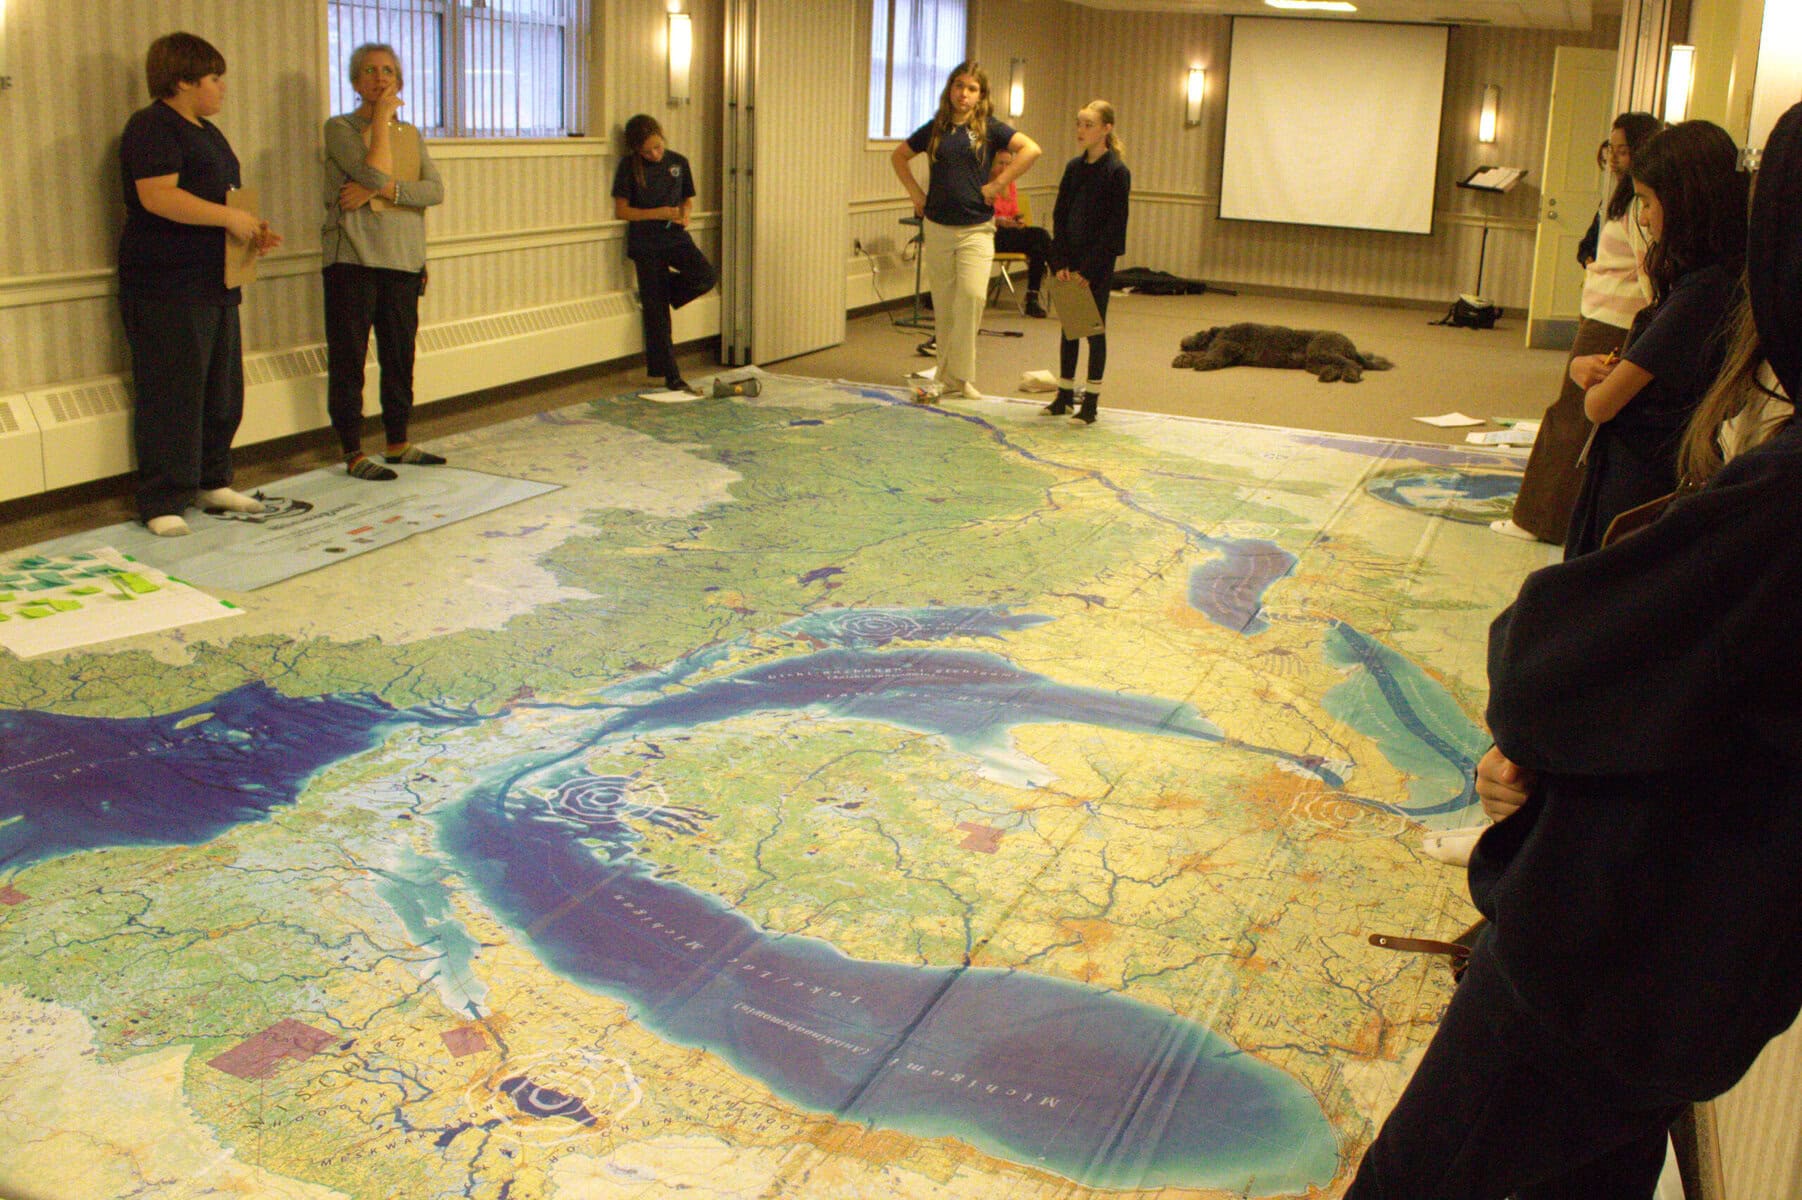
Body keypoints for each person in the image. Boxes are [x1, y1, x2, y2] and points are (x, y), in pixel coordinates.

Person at [1344, 100, 1802, 1200]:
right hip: (1698, 986)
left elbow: (1545, 657)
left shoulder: (1784, 504)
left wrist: (1544, 735)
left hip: (1601, 973)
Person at [117, 32, 281, 537]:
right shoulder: (151, 127)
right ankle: (163, 496)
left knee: (221, 388)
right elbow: (158, 197)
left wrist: (249, 229)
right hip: (166, 284)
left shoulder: (208, 132)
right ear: (184, 80)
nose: (222, 88)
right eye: (214, 78)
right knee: (173, 389)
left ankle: (211, 479)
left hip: (216, 281)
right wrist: (228, 218)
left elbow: (222, 200)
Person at [1561, 120, 1746, 558]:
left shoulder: (1703, 290)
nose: (1642, 216)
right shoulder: (1715, 277)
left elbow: (1601, 405)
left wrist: (1587, 378)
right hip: (1649, 462)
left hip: (1643, 470)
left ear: (1685, 202)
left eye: (1646, 201)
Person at [1494, 113, 1660, 543]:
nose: (1617, 158)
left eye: (1625, 149)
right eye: (1613, 149)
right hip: (1601, 315)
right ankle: (1556, 518)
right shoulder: (1620, 197)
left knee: (1570, 417)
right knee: (1575, 419)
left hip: (1614, 324)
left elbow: (1648, 272)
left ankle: (1535, 520)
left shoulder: (1640, 202)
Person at [321, 43, 447, 482]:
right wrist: (378, 123)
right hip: (352, 260)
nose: (381, 78)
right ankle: (353, 451)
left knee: (399, 356)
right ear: (356, 82)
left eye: (389, 71)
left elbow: (434, 191)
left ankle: (397, 441)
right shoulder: (338, 128)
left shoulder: (410, 134)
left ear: (400, 80)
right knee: (349, 358)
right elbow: (371, 172)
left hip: (403, 261)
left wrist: (385, 193)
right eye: (371, 71)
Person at [891, 62, 1041, 402]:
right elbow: (899, 157)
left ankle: (961, 375)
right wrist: (916, 194)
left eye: (972, 88)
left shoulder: (989, 129)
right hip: (939, 225)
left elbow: (1031, 150)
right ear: (950, 89)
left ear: (981, 95)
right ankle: (948, 378)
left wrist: (1000, 183)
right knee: (944, 307)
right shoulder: (936, 128)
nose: (964, 93)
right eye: (959, 86)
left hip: (976, 228)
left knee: (972, 297)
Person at [612, 114, 716, 393]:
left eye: (657, 147)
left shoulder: (678, 163)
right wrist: (656, 213)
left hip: (674, 235)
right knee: (657, 316)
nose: (654, 154)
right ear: (637, 150)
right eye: (647, 151)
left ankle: (661, 292)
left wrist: (686, 216)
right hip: (646, 241)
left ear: (662, 137)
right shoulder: (629, 168)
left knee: (706, 275)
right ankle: (670, 374)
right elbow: (622, 210)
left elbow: (687, 200)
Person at [1042, 101, 1130, 425]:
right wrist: (1060, 261)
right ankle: (1064, 395)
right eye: (1079, 123)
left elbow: (1114, 227)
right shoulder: (1073, 168)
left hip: (1096, 265)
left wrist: (1089, 271)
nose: (1081, 131)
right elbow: (1060, 215)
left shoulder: (1117, 171)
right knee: (1069, 329)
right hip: (1070, 260)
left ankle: (1090, 404)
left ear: (1106, 129)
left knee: (1093, 331)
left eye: (1088, 124)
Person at [988, 148, 1050, 318]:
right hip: (991, 234)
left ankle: (1032, 296)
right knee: (1040, 238)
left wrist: (1017, 220)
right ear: (992, 164)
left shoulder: (1010, 184)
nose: (1005, 167)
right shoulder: (984, 183)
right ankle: (1056, 281)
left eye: (1008, 164)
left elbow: (1014, 211)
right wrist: (999, 221)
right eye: (1001, 163)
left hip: (1010, 232)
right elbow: (979, 216)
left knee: (1039, 244)